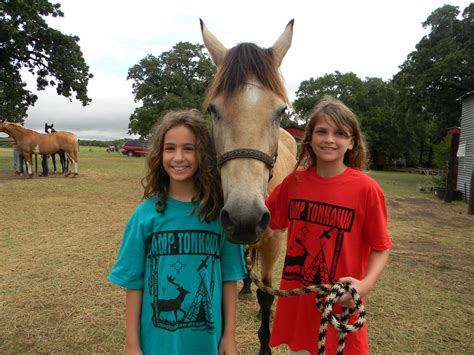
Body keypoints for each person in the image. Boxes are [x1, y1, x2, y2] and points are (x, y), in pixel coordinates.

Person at [108, 110, 247, 355]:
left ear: (203, 153)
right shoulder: (144, 217)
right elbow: (134, 284)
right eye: (170, 148)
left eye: (189, 149)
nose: (178, 157)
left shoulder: (219, 215)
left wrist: (230, 337)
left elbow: (229, 279)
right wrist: (131, 344)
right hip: (156, 345)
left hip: (208, 344)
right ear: (159, 154)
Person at [266, 96, 392, 354]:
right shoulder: (294, 184)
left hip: (339, 306)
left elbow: (381, 247)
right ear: (310, 137)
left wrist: (364, 285)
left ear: (352, 142)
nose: (329, 139)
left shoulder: (366, 190)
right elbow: (265, 219)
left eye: (339, 133)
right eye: (321, 131)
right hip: (300, 307)